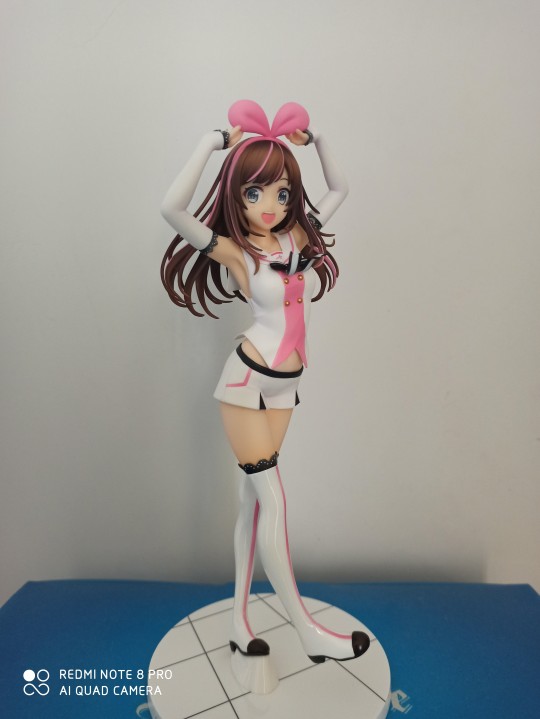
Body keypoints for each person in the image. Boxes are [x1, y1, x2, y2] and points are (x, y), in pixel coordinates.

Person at [160, 100, 370, 663]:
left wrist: (316, 138)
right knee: (273, 501)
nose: (269, 205)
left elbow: (340, 188)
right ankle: (306, 630)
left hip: (286, 385)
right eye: (253, 194)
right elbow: (171, 208)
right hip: (246, 385)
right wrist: (213, 141)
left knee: (251, 505)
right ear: (236, 196)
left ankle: (238, 619)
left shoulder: (299, 235)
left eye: (281, 192)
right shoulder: (236, 252)